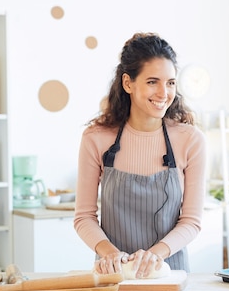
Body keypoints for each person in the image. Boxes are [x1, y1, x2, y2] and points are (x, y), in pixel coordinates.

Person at [74, 32, 207, 278]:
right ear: (128, 83)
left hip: (169, 273)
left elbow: (191, 221)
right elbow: (83, 217)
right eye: (152, 81)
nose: (164, 93)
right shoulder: (96, 138)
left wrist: (155, 255)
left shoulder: (191, 140)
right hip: (112, 274)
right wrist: (110, 253)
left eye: (170, 82)